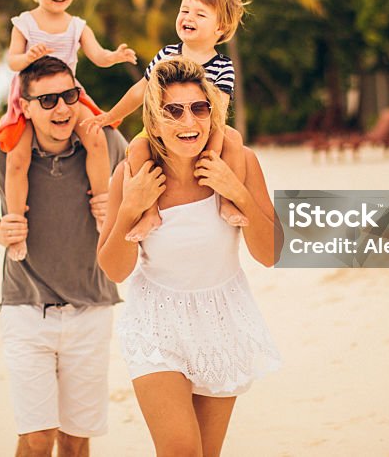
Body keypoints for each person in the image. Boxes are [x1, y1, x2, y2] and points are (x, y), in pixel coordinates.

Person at [97, 57, 282, 457]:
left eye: (200, 108)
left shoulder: (241, 162)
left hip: (221, 317)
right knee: (180, 450)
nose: (189, 122)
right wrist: (131, 208)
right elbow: (114, 269)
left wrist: (238, 192)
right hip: (156, 320)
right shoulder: (131, 175)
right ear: (155, 119)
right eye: (174, 110)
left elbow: (268, 254)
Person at [0, 56, 128, 457]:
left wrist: (119, 209)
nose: (62, 108)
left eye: (70, 96)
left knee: (76, 441)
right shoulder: (0, 148)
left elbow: (143, 196)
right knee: (38, 438)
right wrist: (0, 231)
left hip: (92, 308)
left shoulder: (106, 143)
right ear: (24, 106)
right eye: (48, 100)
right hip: (25, 309)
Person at [0, 0, 136, 259]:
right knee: (17, 157)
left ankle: (101, 203)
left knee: (97, 137)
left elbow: (97, 55)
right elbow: (11, 60)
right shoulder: (25, 23)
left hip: (71, 96)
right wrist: (27, 56)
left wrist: (115, 56)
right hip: (30, 100)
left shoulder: (77, 26)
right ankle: (17, 223)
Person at [88, 0, 248, 241]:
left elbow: (218, 110)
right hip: (163, 131)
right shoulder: (167, 55)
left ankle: (227, 200)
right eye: (185, 10)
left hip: (206, 130)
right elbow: (141, 91)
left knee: (231, 140)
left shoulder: (222, 65)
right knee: (137, 147)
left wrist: (208, 147)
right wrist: (110, 116)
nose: (188, 17)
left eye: (200, 14)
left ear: (219, 27)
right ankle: (150, 212)